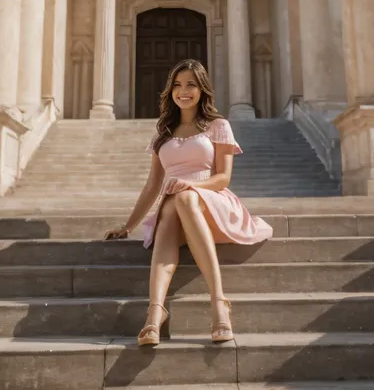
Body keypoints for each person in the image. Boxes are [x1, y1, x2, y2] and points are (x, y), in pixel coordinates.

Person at [104, 59, 273, 346]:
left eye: (191, 84)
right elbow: (153, 185)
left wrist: (191, 185)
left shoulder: (217, 125)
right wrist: (128, 225)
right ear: (170, 90)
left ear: (202, 89)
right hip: (175, 206)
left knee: (182, 197)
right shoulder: (162, 132)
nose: (184, 91)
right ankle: (157, 311)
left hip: (213, 201)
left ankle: (214, 302)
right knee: (171, 205)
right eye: (178, 85)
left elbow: (223, 178)